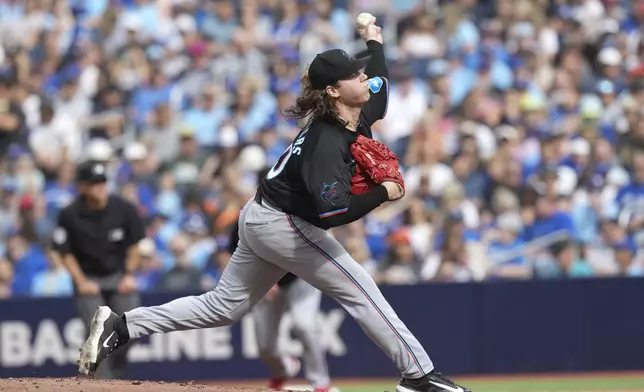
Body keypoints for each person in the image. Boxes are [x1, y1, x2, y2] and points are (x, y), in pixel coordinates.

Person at [77, 18, 470, 392]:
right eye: (353, 74)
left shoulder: (358, 108)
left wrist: (374, 40)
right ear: (333, 90)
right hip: (285, 222)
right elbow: (331, 213)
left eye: (360, 70)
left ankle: (123, 325)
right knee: (361, 290)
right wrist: (384, 192)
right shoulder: (325, 143)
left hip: (262, 214)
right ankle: (419, 376)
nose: (363, 76)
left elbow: (380, 76)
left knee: (223, 307)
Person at [53, 160, 145, 379]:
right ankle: (103, 383)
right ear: (82, 186)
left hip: (119, 276)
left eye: (102, 182)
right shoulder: (70, 214)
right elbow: (65, 253)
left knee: (134, 327)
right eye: (93, 183)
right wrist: (81, 281)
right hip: (88, 279)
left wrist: (129, 275)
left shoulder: (124, 209)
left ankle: (113, 369)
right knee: (98, 332)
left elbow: (135, 247)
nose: (99, 187)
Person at [228, 218, 331, 392]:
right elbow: (232, 253)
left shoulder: (295, 215)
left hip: (301, 279)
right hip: (265, 284)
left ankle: (320, 382)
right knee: (265, 346)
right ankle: (282, 369)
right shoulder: (244, 219)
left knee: (304, 326)